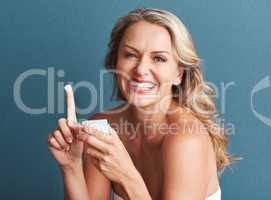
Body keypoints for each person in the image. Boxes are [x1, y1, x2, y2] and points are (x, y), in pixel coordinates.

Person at [47, 8, 234, 200]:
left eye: (159, 58)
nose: (141, 69)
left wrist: (126, 176)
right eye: (131, 55)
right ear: (115, 62)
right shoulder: (103, 127)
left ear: (179, 73)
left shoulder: (186, 140)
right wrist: (71, 168)